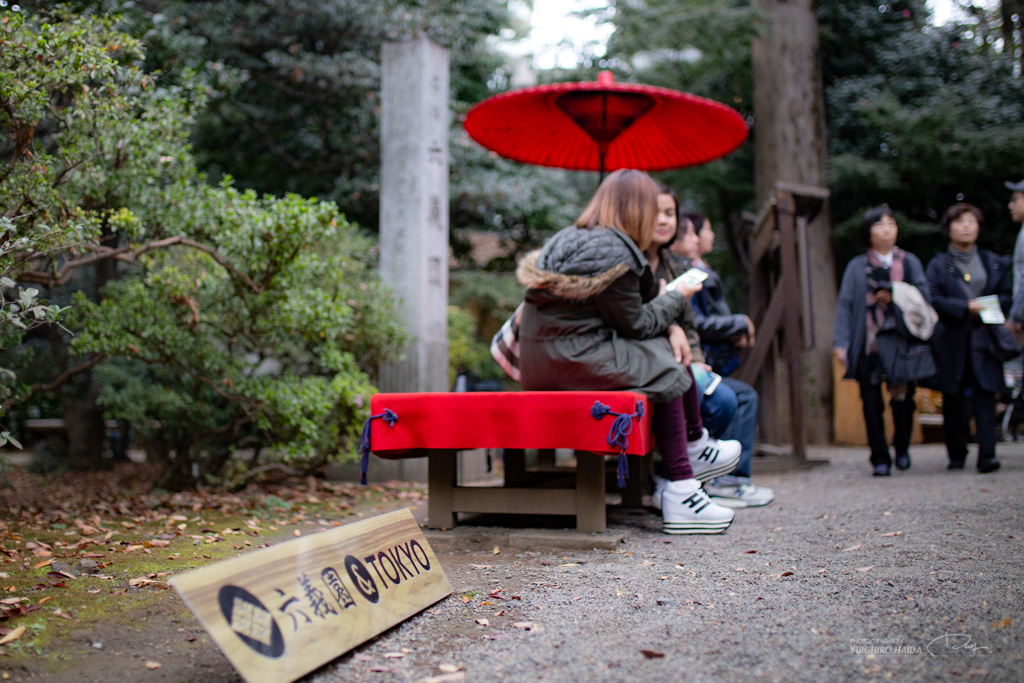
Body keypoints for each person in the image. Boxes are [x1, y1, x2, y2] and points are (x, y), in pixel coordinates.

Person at [516, 169, 741, 534]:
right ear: (635, 208)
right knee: (665, 366)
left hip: (546, 356)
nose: (656, 217)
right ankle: (683, 488)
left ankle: (695, 449)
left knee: (661, 354)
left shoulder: (573, 236)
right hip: (571, 356)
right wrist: (675, 298)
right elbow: (635, 324)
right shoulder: (615, 251)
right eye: (651, 208)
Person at [670, 213, 773, 506]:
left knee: (738, 396)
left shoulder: (696, 271)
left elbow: (691, 325)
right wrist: (738, 324)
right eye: (700, 231)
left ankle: (729, 479)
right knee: (738, 397)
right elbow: (697, 324)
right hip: (689, 364)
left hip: (699, 360)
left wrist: (733, 329)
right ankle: (724, 480)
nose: (706, 236)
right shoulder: (686, 274)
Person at [832, 206, 932, 476]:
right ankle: (879, 457)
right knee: (870, 400)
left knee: (904, 399)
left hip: (902, 341)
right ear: (869, 232)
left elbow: (924, 295)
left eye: (891, 224)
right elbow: (845, 305)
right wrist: (841, 343)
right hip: (868, 342)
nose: (887, 230)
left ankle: (901, 448)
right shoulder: (857, 266)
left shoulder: (909, 262)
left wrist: (895, 292)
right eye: (880, 225)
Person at [926, 203, 1011, 474]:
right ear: (948, 228)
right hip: (953, 340)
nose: (966, 226)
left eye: (971, 221)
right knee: (952, 398)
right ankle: (956, 452)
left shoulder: (992, 260)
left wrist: (987, 305)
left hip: (985, 339)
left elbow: (1008, 295)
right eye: (960, 221)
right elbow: (933, 298)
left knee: (986, 395)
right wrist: (964, 307)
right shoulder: (939, 265)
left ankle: (987, 454)